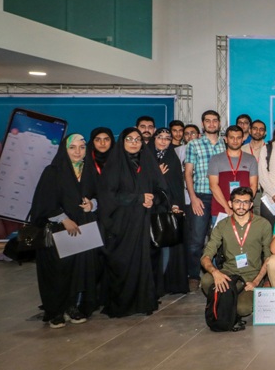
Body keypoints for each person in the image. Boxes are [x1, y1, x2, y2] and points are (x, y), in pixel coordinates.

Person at [29, 134, 102, 328]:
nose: (78, 151)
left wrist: (92, 204)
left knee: (78, 270)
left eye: (82, 147)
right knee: (58, 272)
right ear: (64, 149)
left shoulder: (89, 170)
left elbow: (99, 194)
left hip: (83, 229)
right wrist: (64, 219)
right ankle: (55, 311)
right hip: (58, 230)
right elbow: (43, 202)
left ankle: (71, 306)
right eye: (73, 147)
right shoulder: (53, 171)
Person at [99, 127, 167, 317]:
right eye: (129, 139)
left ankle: (143, 302)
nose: (134, 143)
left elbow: (162, 189)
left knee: (145, 263)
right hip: (122, 225)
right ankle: (122, 304)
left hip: (145, 224)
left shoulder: (148, 163)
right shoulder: (114, 165)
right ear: (122, 142)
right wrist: (138, 198)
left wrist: (153, 199)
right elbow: (108, 196)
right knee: (122, 263)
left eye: (137, 139)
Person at [200, 187, 271, 321]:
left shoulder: (263, 224)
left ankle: (234, 298)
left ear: (251, 204)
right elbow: (206, 256)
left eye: (245, 202)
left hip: (252, 275)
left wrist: (256, 281)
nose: (241, 206)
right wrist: (215, 272)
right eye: (237, 202)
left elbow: (269, 257)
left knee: (242, 309)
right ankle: (226, 299)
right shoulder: (222, 225)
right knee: (207, 280)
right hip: (229, 272)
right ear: (230, 203)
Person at [184, 110, 225, 287]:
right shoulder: (194, 144)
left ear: (219, 123)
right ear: (203, 124)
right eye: (208, 121)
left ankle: (219, 273)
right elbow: (188, 173)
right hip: (201, 196)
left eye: (215, 120)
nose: (211, 124)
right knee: (197, 239)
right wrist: (193, 197)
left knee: (220, 239)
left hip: (221, 197)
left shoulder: (225, 143)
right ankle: (194, 275)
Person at [150, 127, 188, 296]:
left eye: (167, 138)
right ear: (154, 139)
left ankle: (161, 285)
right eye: (160, 137)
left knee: (165, 248)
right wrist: (157, 174)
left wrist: (176, 204)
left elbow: (177, 185)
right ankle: (150, 284)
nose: (163, 141)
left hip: (166, 209)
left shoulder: (172, 158)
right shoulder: (145, 157)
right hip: (148, 209)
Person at [208, 125, 259, 219]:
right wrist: (227, 207)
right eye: (232, 137)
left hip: (244, 210)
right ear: (226, 139)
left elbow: (254, 185)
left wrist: (243, 206)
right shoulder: (215, 159)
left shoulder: (251, 159)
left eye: (238, 138)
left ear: (243, 139)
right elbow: (213, 185)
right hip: (221, 210)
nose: (235, 141)